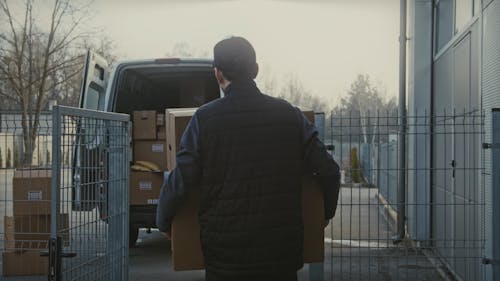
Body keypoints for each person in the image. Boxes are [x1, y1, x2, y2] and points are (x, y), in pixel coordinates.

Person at [156, 36, 340, 281]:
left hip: (226, 257)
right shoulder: (289, 115)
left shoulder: (204, 120)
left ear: (218, 75)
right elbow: (329, 170)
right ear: (255, 70)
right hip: (280, 255)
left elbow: (182, 179)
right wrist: (324, 214)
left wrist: (164, 221)